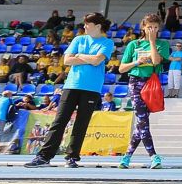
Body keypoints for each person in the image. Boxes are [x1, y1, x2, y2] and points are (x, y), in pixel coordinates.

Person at [25, 12, 115, 169]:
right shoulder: (78, 39)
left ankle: (72, 157)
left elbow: (97, 61)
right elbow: (67, 60)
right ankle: (44, 156)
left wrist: (79, 56)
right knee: (59, 121)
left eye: (88, 24)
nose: (84, 26)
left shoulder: (107, 42)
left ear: (98, 26)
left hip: (92, 88)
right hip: (71, 85)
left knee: (81, 124)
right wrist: (88, 58)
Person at [116, 13, 169, 170]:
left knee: (141, 123)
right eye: (149, 27)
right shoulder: (134, 44)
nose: (152, 30)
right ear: (143, 28)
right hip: (135, 83)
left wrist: (152, 42)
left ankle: (127, 156)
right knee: (142, 121)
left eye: (155, 27)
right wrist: (136, 62)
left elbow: (156, 61)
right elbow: (121, 68)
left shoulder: (162, 44)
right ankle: (153, 156)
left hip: (151, 84)